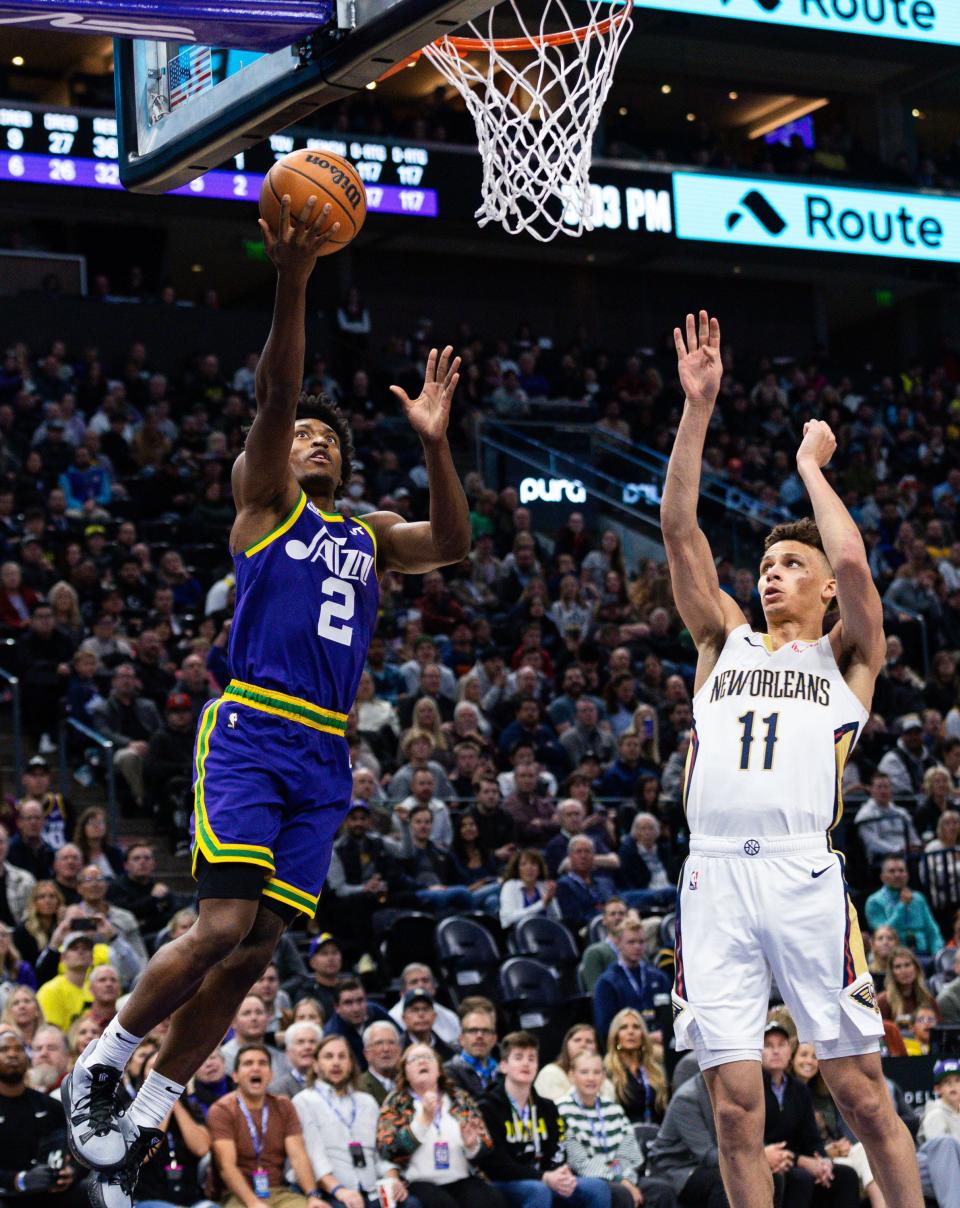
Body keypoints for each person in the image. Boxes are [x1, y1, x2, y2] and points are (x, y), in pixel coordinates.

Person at [65, 192, 471, 1208]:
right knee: (217, 925)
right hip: (252, 723)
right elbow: (279, 390)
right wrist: (292, 279)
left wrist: (433, 441)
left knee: (255, 952)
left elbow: (455, 542)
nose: (316, 440)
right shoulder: (263, 505)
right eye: (304, 436)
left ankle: (155, 1102)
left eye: (330, 436)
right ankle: (103, 1062)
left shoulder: (371, 531)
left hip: (327, 752)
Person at [662, 311, 919, 1206]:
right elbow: (678, 530)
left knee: (859, 1091)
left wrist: (812, 468)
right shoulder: (722, 639)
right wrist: (698, 409)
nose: (771, 574)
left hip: (804, 874)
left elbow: (851, 561)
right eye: (765, 563)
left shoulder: (846, 659)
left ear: (815, 588)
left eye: (788, 564)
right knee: (733, 1110)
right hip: (712, 880)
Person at [475, 1030, 607, 1208]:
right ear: (504, 1065)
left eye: (531, 1058)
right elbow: (497, 1163)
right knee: (538, 1191)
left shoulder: (547, 1107)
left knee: (597, 1188)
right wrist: (543, 1177)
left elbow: (559, 1147)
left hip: (545, 1177)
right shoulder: (487, 1107)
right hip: (504, 1182)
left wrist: (559, 1173)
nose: (526, 1064)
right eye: (519, 1057)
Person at [377, 1042, 500, 1208]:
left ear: (440, 1069)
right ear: (405, 1071)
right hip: (418, 1182)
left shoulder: (459, 1098)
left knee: (491, 1200)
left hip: (461, 1178)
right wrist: (423, 1121)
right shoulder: (396, 1102)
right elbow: (388, 1150)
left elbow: (487, 1146)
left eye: (428, 1057)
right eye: (414, 1059)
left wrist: (472, 1145)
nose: (422, 1062)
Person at [294, 1033, 410, 1208]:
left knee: (411, 1204)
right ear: (316, 1065)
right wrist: (340, 1191)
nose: (336, 1062)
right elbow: (314, 1157)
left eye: (342, 1056)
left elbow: (381, 1153)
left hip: (371, 1187)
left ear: (350, 1064)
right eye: (328, 1056)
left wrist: (393, 1179)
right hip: (332, 1190)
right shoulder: (304, 1101)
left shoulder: (367, 1102)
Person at [208, 1042, 325, 1207]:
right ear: (235, 1075)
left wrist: (313, 1195)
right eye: (248, 1063)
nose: (256, 1068)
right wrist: (253, 1203)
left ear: (270, 1074)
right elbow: (227, 1166)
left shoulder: (284, 1106)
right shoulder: (222, 1110)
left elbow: (298, 1156)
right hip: (237, 1195)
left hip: (278, 1191)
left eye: (262, 1063)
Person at [558, 1050, 677, 1208]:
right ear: (571, 1076)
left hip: (622, 1175)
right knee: (621, 1194)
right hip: (588, 1180)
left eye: (597, 1072)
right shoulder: (561, 1110)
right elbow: (579, 1162)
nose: (591, 1078)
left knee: (662, 1190)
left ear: (604, 1076)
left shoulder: (613, 1108)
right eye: (584, 1072)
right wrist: (619, 1181)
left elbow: (630, 1151)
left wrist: (625, 1178)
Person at [760, 1020, 860, 1207]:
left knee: (846, 1175)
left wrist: (822, 1162)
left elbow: (811, 1137)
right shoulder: (753, 1088)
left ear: (789, 1051)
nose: (775, 1051)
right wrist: (801, 1161)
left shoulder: (799, 1089)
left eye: (781, 1045)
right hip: (769, 1159)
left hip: (798, 1160)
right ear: (759, 1052)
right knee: (800, 1178)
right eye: (768, 1046)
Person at [790, 1041, 887, 1208]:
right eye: (804, 1055)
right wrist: (828, 1151)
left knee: (862, 1150)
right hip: (810, 1157)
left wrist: (840, 1145)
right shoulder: (787, 1092)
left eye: (814, 1057)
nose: (809, 1061)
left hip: (830, 1153)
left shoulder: (825, 1094)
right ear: (791, 1058)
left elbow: (838, 1131)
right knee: (848, 1171)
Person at [0, 1028, 87, 1205]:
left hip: (48, 1192)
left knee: (87, 1190)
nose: (12, 1055)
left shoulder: (50, 1106)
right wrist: (20, 1180)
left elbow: (79, 1150)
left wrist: (72, 1171)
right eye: (4, 1050)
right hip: (6, 1194)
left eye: (19, 1049)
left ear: (28, 1057)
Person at [593, 917, 670, 1046]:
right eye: (631, 942)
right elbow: (606, 1029)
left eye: (641, 942)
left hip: (661, 1043)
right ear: (618, 944)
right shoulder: (607, 983)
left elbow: (671, 1017)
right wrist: (646, 1038)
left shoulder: (659, 978)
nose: (637, 947)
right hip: (625, 1047)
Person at [864, 857, 944, 957]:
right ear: (882, 877)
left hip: (923, 953)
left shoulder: (918, 898)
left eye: (901, 871)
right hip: (892, 957)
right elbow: (884, 935)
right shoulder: (874, 901)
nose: (897, 875)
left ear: (907, 875)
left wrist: (938, 955)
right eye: (892, 871)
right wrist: (901, 906)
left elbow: (932, 930)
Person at [602, 1009, 668, 1125]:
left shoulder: (656, 1071)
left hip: (658, 1136)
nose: (630, 1032)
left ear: (643, 1035)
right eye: (623, 1027)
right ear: (615, 1035)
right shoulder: (607, 1071)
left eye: (636, 1027)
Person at [915, 1057, 960, 1206]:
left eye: (957, 1081)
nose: (953, 1086)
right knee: (946, 1144)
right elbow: (941, 1153)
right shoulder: (935, 1113)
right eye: (947, 1083)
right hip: (928, 1169)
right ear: (937, 1089)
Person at [324, 979, 394, 1071]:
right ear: (337, 1007)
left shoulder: (375, 1011)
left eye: (360, 1001)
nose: (356, 1008)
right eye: (348, 1003)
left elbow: (401, 1037)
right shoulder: (332, 1033)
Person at [534, 1024, 614, 1105]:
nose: (583, 1045)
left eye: (589, 1041)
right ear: (566, 1045)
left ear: (596, 1048)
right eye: (577, 1040)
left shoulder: (605, 1083)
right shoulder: (550, 1073)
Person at [854, 772, 919, 866]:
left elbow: (913, 837)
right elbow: (873, 844)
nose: (883, 791)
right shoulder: (865, 815)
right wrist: (898, 849)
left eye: (886, 787)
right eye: (879, 787)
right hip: (883, 859)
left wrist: (916, 845)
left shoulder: (901, 813)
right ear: (871, 790)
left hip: (909, 855)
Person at [36, 930, 96, 1032]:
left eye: (85, 948)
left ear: (92, 958)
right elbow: (51, 1032)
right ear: (63, 957)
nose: (80, 952)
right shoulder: (50, 990)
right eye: (74, 948)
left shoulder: (95, 988)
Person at [389, 965, 461, 1047]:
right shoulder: (391, 1018)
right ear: (402, 992)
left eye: (425, 981)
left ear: (434, 989)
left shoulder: (450, 1017)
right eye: (414, 982)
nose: (421, 985)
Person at [221, 995, 290, 1078]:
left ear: (268, 1018)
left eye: (259, 1012)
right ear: (233, 1022)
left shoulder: (281, 1057)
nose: (254, 1018)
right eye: (246, 1013)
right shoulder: (223, 1058)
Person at [555, 837, 616, 930]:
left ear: (593, 856)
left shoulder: (606, 883)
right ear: (570, 857)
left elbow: (620, 904)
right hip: (588, 931)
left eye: (587, 852)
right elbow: (574, 919)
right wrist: (606, 916)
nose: (583, 856)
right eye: (578, 852)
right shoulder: (564, 885)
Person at [445, 999, 500, 1099]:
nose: (480, 1036)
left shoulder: (504, 1072)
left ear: (494, 1039)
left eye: (486, 1031)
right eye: (473, 1030)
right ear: (461, 1038)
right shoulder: (448, 1073)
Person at [876, 947, 938, 1031]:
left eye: (907, 965)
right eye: (898, 967)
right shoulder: (883, 1001)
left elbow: (938, 1028)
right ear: (892, 973)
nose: (904, 971)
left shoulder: (927, 998)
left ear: (916, 968)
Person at [499, 849, 560, 930]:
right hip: (518, 935)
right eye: (523, 864)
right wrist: (542, 904)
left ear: (539, 869)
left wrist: (550, 901)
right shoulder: (510, 886)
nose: (529, 868)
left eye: (533, 864)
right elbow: (507, 920)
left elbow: (556, 919)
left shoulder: (544, 886)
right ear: (518, 869)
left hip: (545, 934)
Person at [578, 899, 628, 993]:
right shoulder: (594, 953)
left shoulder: (638, 951)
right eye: (612, 914)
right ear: (604, 920)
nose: (617, 917)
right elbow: (596, 994)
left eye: (621, 914)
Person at [399, 989, 456, 1062]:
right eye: (414, 1010)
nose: (421, 1014)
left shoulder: (450, 1052)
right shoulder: (397, 1051)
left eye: (426, 1009)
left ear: (434, 1016)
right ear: (404, 1018)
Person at [270, 1020, 322, 1098]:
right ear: (288, 1052)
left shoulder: (332, 1083)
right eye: (300, 1042)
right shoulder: (276, 1090)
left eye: (312, 1042)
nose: (307, 1047)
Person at [358, 1019, 401, 1104]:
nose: (386, 1049)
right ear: (367, 1053)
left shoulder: (408, 1082)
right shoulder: (358, 1086)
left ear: (399, 1051)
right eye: (379, 1043)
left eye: (391, 1042)